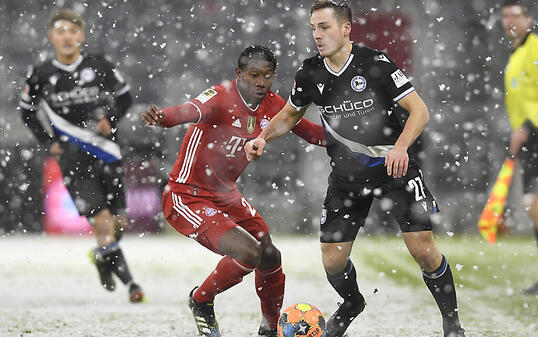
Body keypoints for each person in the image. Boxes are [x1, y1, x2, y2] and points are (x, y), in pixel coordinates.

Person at [245, 1, 465, 336]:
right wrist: (263, 137)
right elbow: (291, 114)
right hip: (347, 179)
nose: (317, 35)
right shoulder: (310, 73)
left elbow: (419, 110)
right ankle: (352, 304)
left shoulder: (374, 63)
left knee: (422, 248)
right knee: (332, 260)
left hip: (395, 170)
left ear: (346, 28)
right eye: (314, 28)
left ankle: (452, 323)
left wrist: (402, 147)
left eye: (325, 27)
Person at [141, 45, 324, 337]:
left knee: (270, 257)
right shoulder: (220, 96)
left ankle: (269, 328)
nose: (260, 82)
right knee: (249, 253)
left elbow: (314, 134)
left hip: (226, 195)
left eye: (267, 75)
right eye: (253, 75)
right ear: (239, 74)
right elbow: (187, 110)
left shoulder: (275, 105)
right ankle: (201, 300)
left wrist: (357, 139)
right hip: (186, 196)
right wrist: (162, 116)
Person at [17, 9, 144, 303]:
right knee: (101, 220)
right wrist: (47, 142)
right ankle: (132, 285)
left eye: (72, 31)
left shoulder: (99, 65)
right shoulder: (40, 74)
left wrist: (110, 120)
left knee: (119, 223)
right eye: (60, 31)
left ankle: (103, 259)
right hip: (73, 159)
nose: (66, 36)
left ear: (80, 36)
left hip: (108, 152)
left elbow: (125, 97)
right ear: (52, 37)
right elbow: (26, 112)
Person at [500, 0, 538, 295]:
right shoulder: (517, 54)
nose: (510, 20)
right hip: (528, 139)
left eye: (516, 15)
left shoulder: (534, 48)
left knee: (534, 205)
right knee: (531, 205)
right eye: (505, 16)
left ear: (528, 19)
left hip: (534, 133)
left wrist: (525, 126)